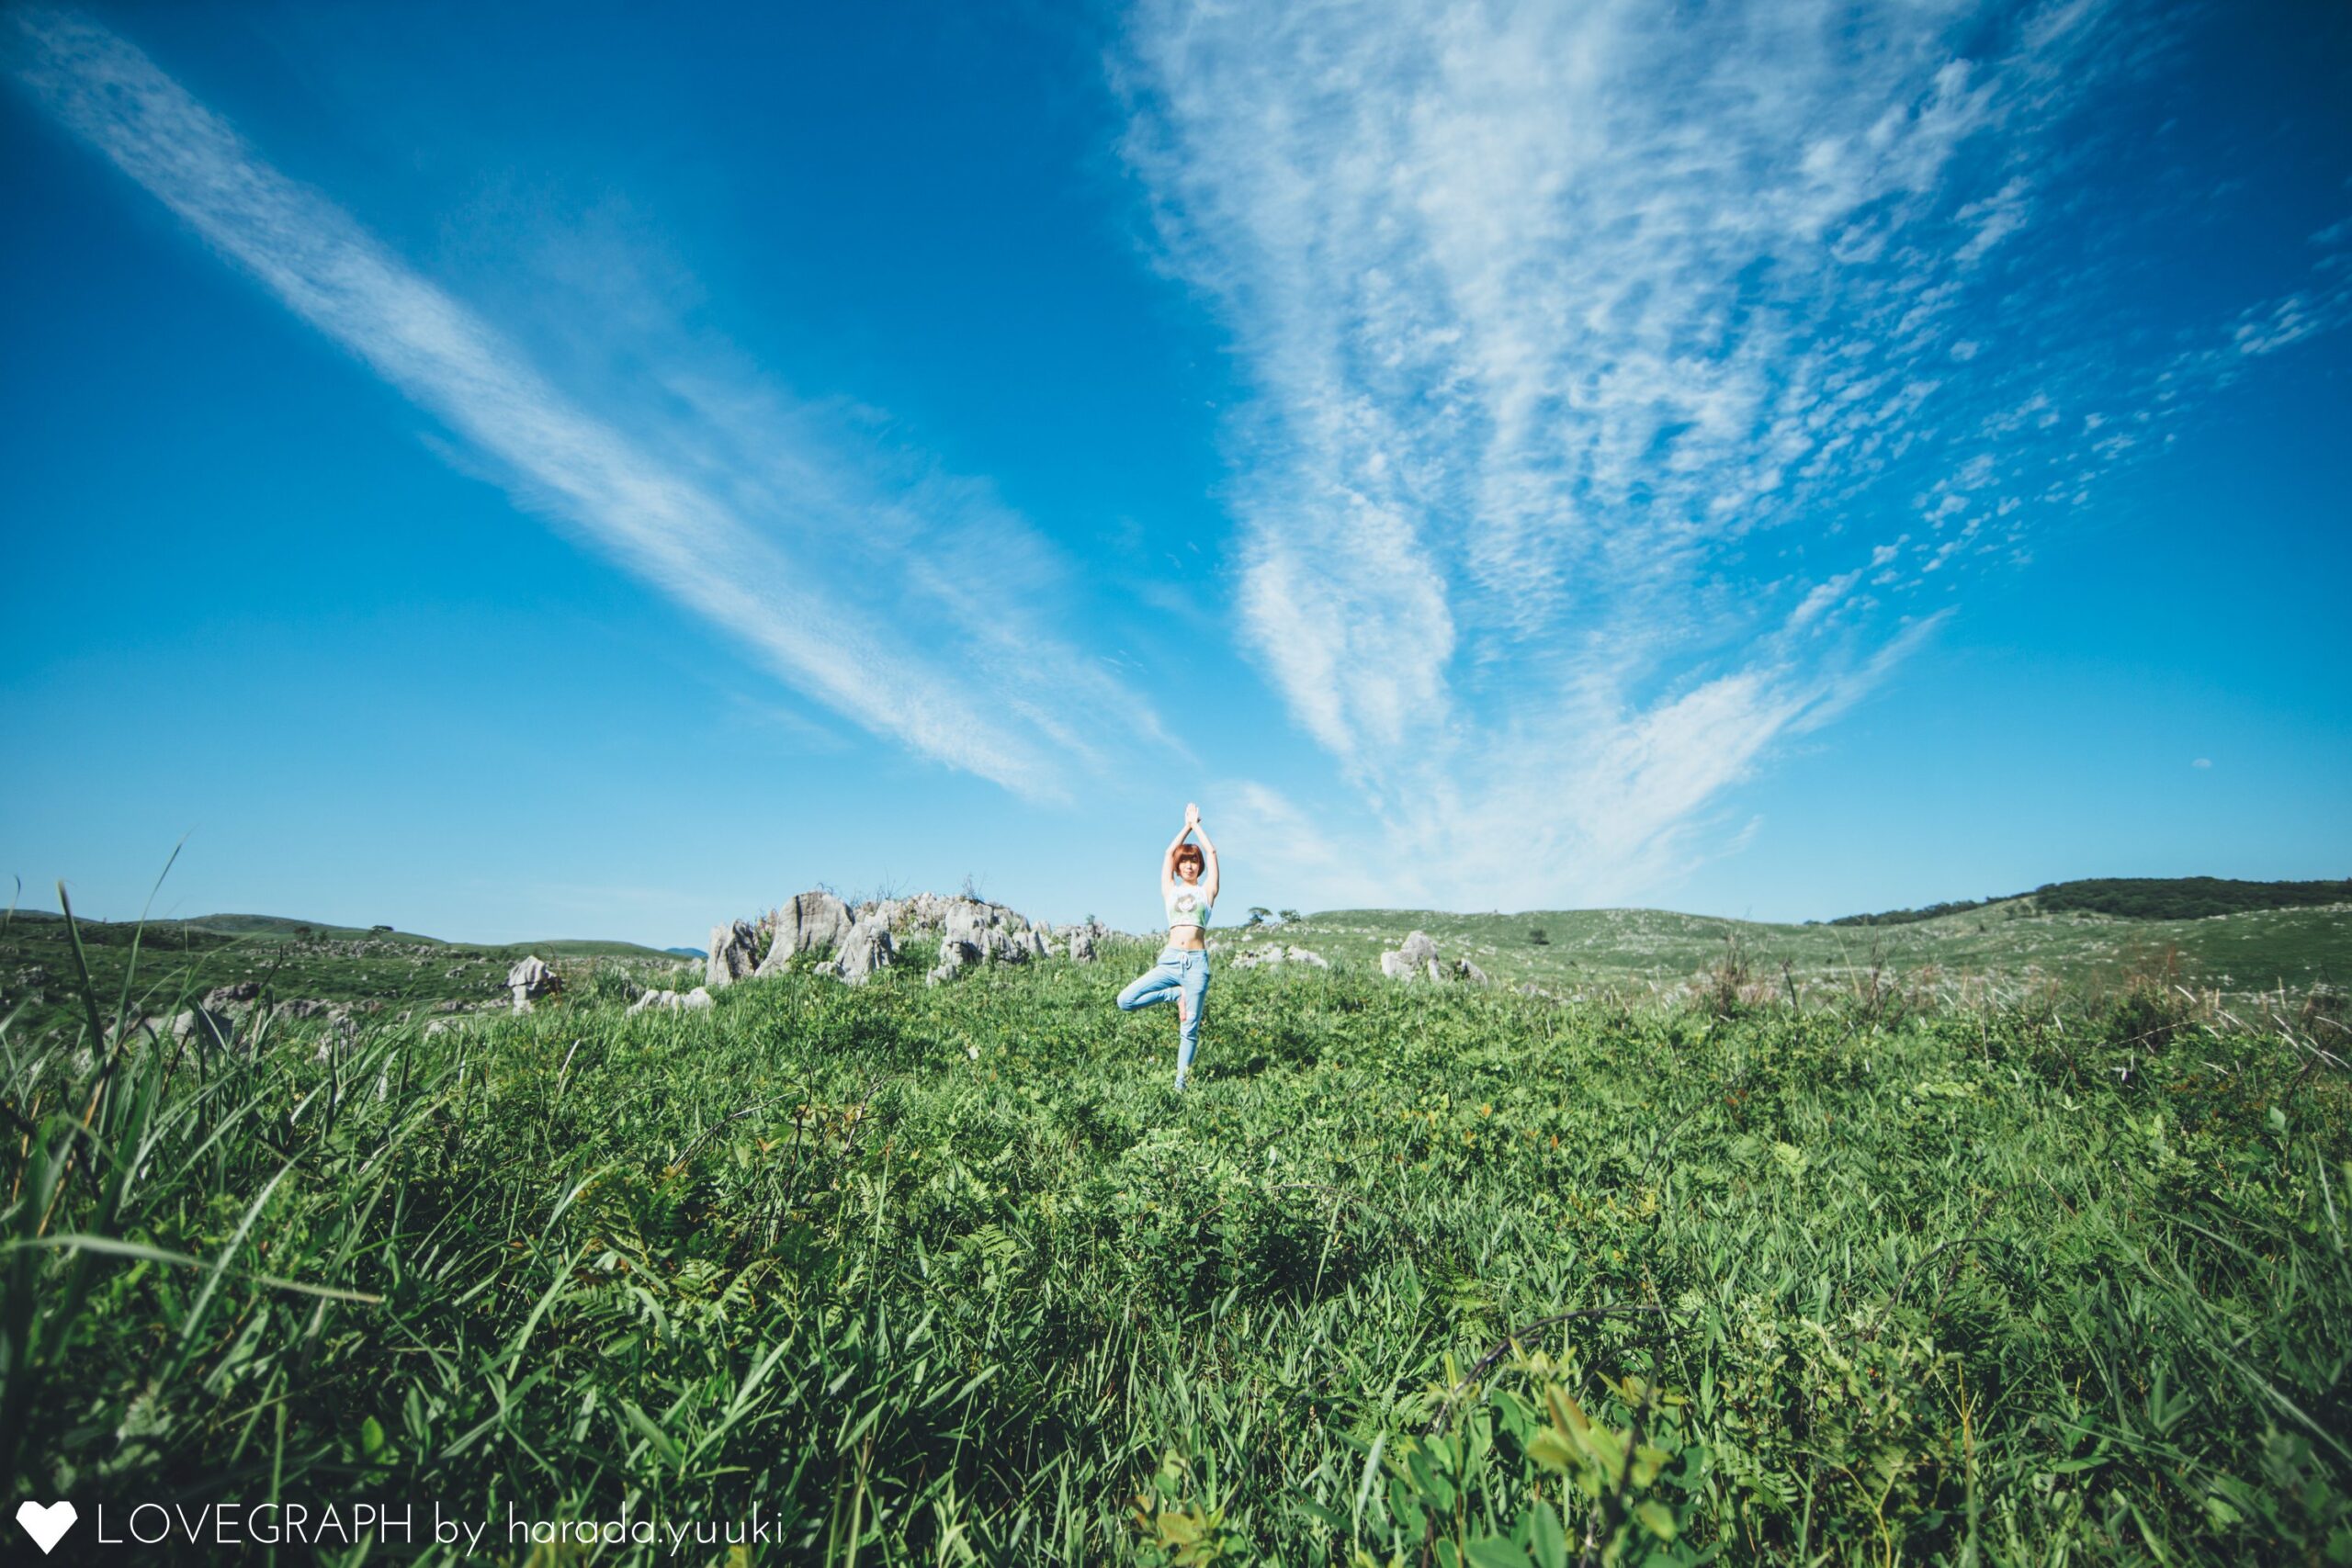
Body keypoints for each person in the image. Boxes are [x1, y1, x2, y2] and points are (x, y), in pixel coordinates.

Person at [1116, 801, 1219, 1089]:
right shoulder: (1170, 891)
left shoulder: (1206, 891)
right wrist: (1186, 826)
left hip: (1197, 965)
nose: (1189, 864)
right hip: (1171, 961)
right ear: (1178, 866)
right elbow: (1167, 852)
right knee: (1125, 1000)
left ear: (1199, 867)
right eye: (1184, 860)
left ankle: (1180, 1084)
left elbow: (1211, 852)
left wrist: (1198, 826)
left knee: (1190, 1029)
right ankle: (1175, 995)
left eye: (1193, 861)